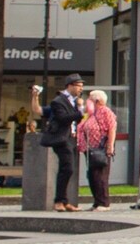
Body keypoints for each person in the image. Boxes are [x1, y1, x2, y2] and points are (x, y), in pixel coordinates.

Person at [36, 74, 86, 212]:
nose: (81, 89)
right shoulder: (58, 101)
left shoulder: (74, 101)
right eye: (79, 86)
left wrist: (79, 110)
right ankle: (59, 201)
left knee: (68, 169)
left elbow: (75, 120)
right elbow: (63, 118)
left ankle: (64, 200)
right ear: (70, 86)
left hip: (70, 138)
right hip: (61, 139)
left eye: (82, 86)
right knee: (67, 168)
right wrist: (81, 112)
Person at [78, 89, 117, 212]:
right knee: (92, 176)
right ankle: (96, 201)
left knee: (101, 176)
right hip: (89, 149)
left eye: (89, 99)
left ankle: (104, 202)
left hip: (101, 149)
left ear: (97, 101)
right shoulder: (91, 113)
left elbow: (112, 129)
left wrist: (110, 146)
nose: (87, 101)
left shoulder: (106, 111)